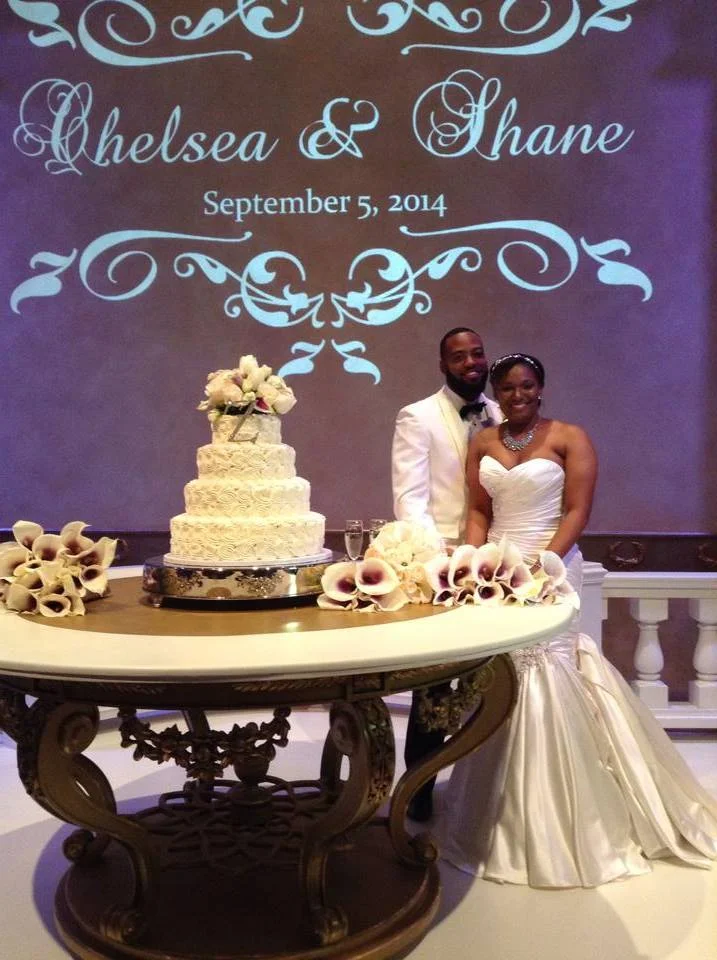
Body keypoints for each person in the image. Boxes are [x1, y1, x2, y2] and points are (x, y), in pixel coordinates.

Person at [435, 352, 717, 886]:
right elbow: (478, 512)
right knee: (501, 675)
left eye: (527, 386)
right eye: (508, 388)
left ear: (540, 387)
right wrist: (468, 562)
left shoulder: (569, 437)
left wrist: (546, 563)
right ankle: (493, 811)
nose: (518, 396)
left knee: (548, 669)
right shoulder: (483, 442)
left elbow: (577, 511)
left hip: (549, 565)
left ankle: (566, 809)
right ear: (497, 392)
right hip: (496, 569)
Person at [392, 328, 502, 821]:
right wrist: (446, 562)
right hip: (443, 566)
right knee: (434, 683)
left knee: (497, 674)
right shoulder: (417, 416)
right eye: (459, 356)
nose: (471, 362)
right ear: (443, 363)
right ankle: (419, 787)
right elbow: (410, 500)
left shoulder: (502, 413)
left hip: (500, 562)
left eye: (477, 353)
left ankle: (488, 787)